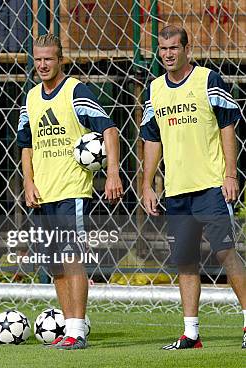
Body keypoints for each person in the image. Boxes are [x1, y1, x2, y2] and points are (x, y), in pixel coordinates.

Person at [140, 25, 246, 350]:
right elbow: (152, 139)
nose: (168, 54)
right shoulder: (154, 89)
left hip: (212, 186)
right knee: (184, 261)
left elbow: (228, 125)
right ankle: (191, 333)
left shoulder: (208, 80)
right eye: (163, 50)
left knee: (226, 252)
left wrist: (230, 174)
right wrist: (147, 183)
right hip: (177, 191)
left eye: (174, 48)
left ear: (187, 49)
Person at [17, 33, 123, 350]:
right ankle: (69, 329)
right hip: (43, 193)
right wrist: (27, 181)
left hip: (72, 191)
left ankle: (77, 329)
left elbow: (109, 128)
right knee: (55, 266)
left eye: (48, 58)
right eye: (37, 59)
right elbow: (26, 144)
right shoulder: (31, 98)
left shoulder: (76, 91)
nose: (42, 64)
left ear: (61, 59)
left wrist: (113, 172)